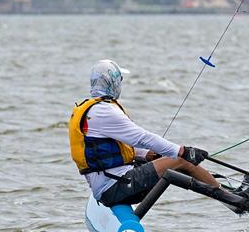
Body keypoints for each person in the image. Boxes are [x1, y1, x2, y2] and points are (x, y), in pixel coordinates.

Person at [69, 59, 220, 207]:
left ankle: (226, 193)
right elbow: (142, 138)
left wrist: (145, 154)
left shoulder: (92, 109)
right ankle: (234, 201)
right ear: (112, 83)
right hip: (115, 188)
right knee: (182, 159)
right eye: (120, 80)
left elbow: (110, 147)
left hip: (108, 184)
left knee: (176, 159)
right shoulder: (104, 111)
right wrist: (182, 151)